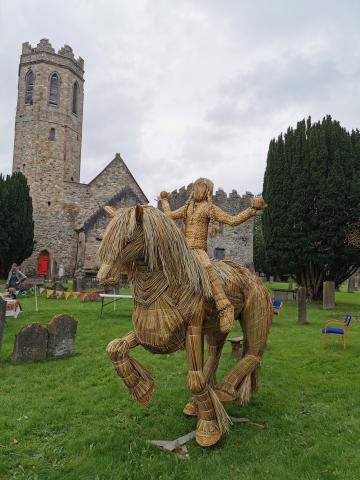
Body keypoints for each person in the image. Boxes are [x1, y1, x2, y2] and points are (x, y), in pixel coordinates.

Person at [160, 178, 266, 333]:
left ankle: (224, 307)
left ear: (207, 191)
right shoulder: (187, 208)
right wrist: (164, 200)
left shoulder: (209, 209)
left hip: (198, 250)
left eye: (201, 188)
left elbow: (232, 220)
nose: (197, 191)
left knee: (207, 266)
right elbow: (168, 215)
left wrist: (251, 211)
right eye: (196, 188)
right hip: (183, 251)